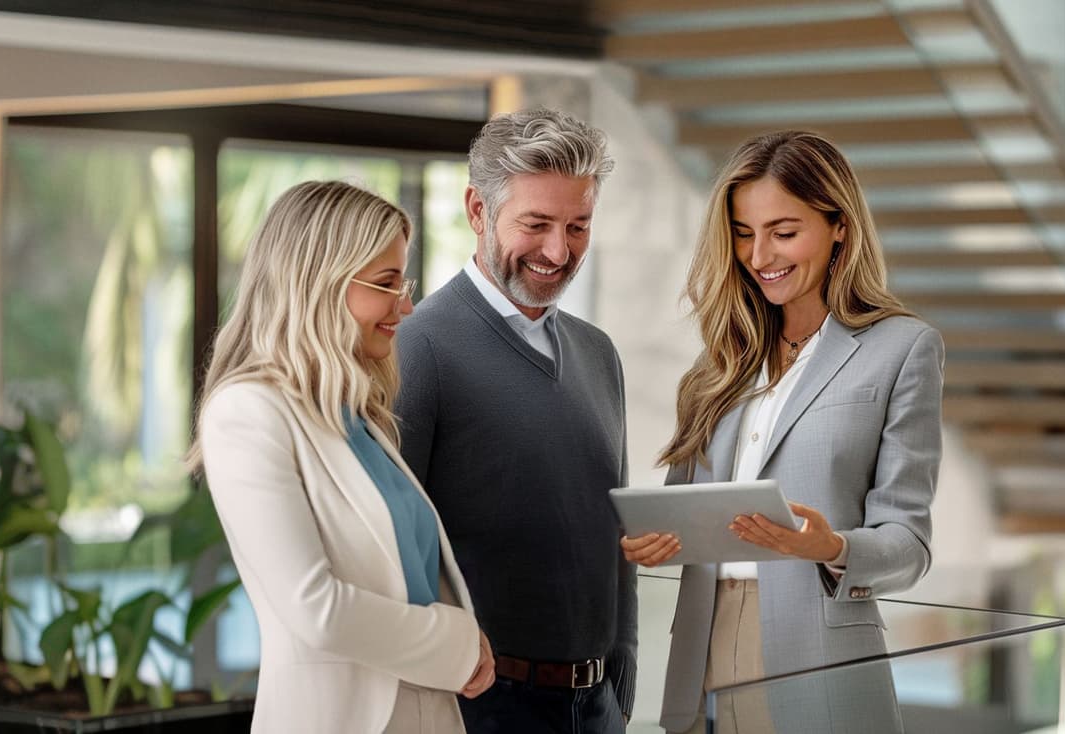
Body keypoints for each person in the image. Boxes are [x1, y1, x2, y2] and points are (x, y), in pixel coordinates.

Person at [623, 130, 944, 733]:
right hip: (703, 647)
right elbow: (683, 511)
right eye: (744, 233)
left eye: (784, 232)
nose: (759, 256)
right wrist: (652, 541)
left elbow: (909, 544)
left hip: (817, 653)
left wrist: (831, 547)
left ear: (839, 225)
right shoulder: (717, 366)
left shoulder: (902, 349)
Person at [189, 181, 496, 734]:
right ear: (318, 284)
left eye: (404, 282)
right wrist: (456, 645)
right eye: (386, 283)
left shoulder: (358, 415)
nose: (405, 305)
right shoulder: (247, 412)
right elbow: (315, 607)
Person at [394, 108, 635, 734]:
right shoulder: (417, 350)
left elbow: (617, 527)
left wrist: (622, 675)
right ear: (478, 211)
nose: (559, 251)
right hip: (482, 707)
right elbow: (392, 549)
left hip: (598, 707)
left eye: (579, 226)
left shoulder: (598, 353)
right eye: (537, 224)